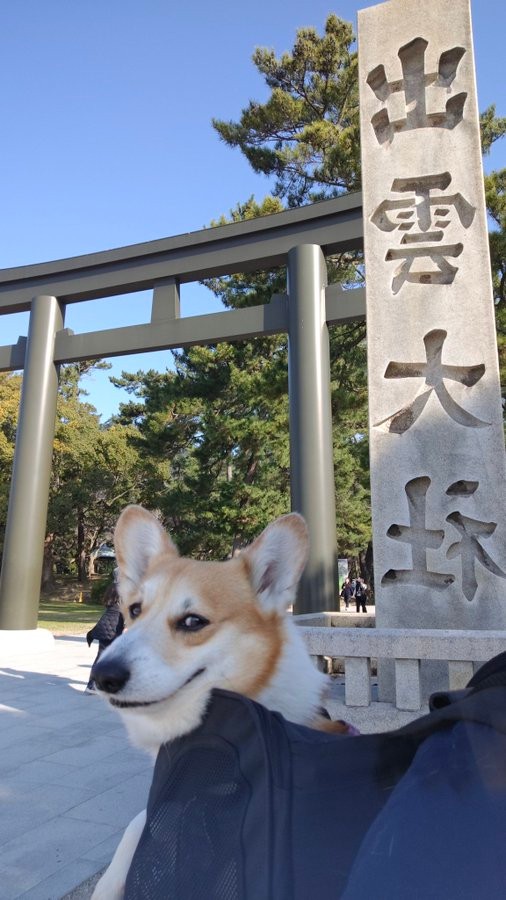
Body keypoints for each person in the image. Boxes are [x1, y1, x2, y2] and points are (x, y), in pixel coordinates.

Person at [84, 581, 124, 693]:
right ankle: (97, 685)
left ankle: (92, 685)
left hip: (104, 630)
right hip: (114, 632)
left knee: (100, 658)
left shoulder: (111, 603)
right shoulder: (122, 604)